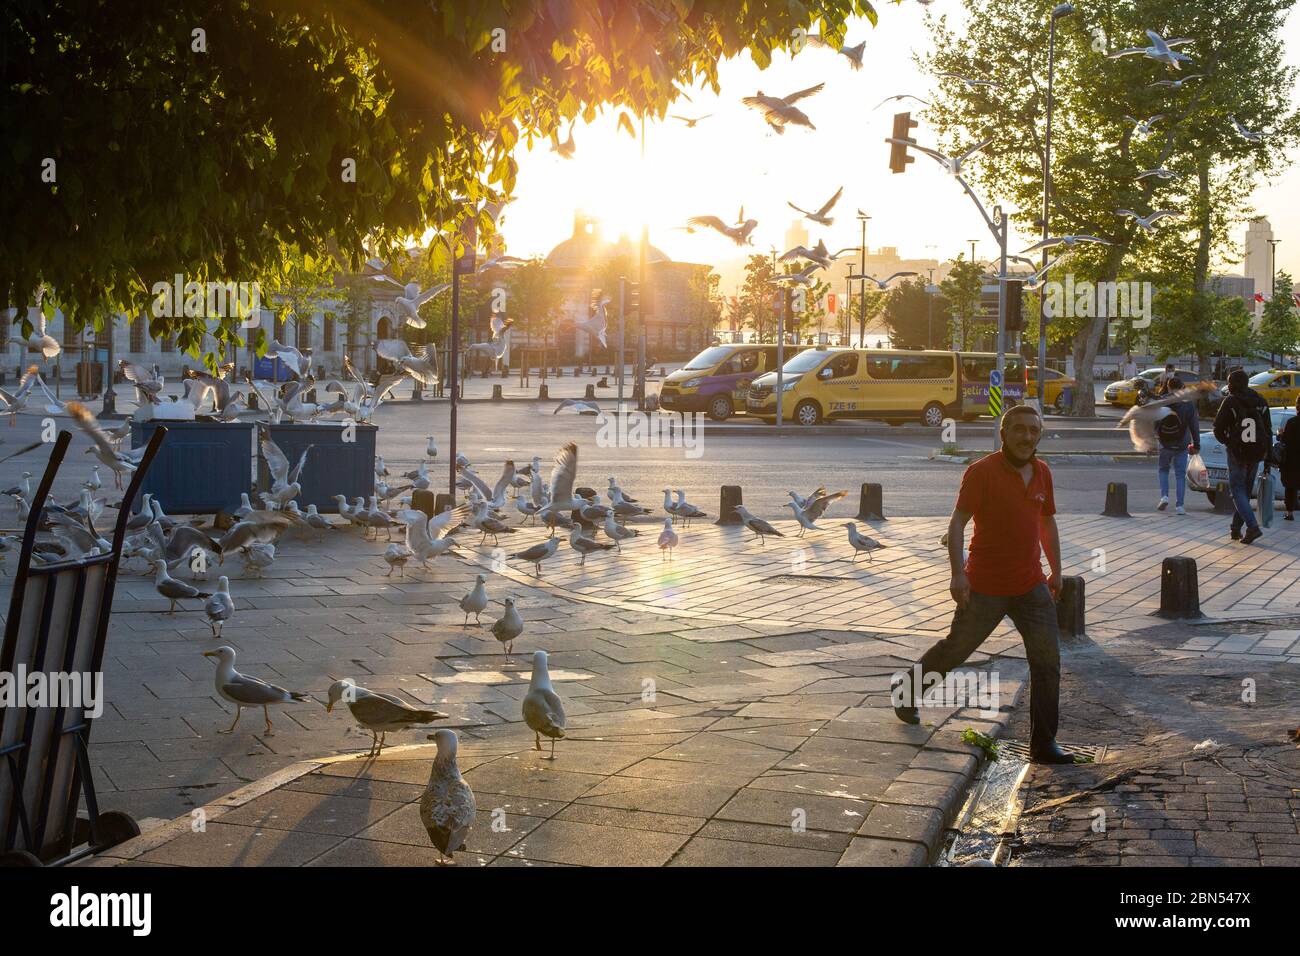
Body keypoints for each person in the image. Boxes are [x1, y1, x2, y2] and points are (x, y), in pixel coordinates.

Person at [892, 405, 1073, 764]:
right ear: (1004, 433)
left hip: (1031, 584)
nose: (1026, 437)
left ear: (1040, 435)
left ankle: (1043, 743)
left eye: (1033, 430)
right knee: (957, 648)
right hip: (986, 584)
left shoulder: (1042, 473)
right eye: (1019, 429)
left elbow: (1046, 524)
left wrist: (1057, 570)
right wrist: (958, 573)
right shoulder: (981, 472)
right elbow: (957, 524)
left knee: (1047, 660)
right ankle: (907, 692)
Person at [1213, 368, 1270, 545]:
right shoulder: (1260, 401)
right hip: (1256, 452)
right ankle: (1236, 528)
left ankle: (1252, 527)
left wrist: (1228, 442)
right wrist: (1266, 454)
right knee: (1244, 491)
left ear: (1235, 384)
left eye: (1230, 382)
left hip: (1237, 451)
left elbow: (1217, 428)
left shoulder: (1230, 401)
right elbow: (1267, 430)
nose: (1228, 385)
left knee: (1237, 490)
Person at [1155, 377, 1200, 515]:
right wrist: (1196, 444)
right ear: (1182, 388)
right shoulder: (1188, 404)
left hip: (1165, 443)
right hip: (1182, 444)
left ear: (1168, 387)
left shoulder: (1161, 401)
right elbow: (1194, 425)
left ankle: (1164, 496)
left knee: (1163, 470)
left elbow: (1155, 424)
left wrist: (1151, 442)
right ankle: (1180, 506)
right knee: (1180, 475)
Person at [1278, 396, 1300, 520]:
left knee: (1290, 487)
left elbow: (1285, 441)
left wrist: (1280, 435)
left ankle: (1289, 512)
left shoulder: (1292, 422)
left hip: (1292, 461)